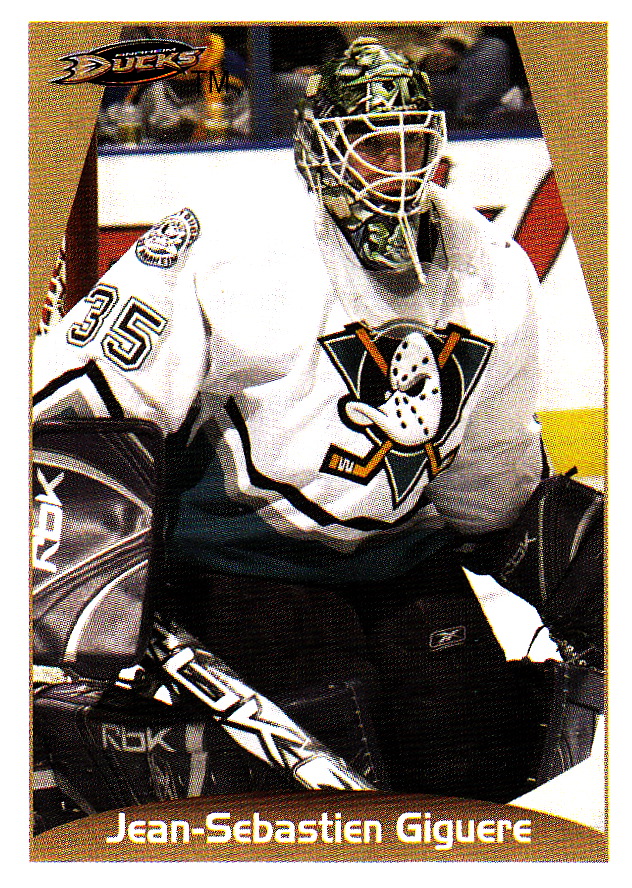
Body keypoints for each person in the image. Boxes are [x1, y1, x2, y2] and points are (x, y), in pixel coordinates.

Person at [32, 39, 603, 805]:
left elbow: (486, 468)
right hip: (238, 567)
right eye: (373, 147)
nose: (397, 169)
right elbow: (81, 396)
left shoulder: (491, 269)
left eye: (411, 144)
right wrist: (81, 564)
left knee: (476, 768)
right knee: (322, 790)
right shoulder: (233, 248)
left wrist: (551, 548)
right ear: (321, 149)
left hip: (402, 560)